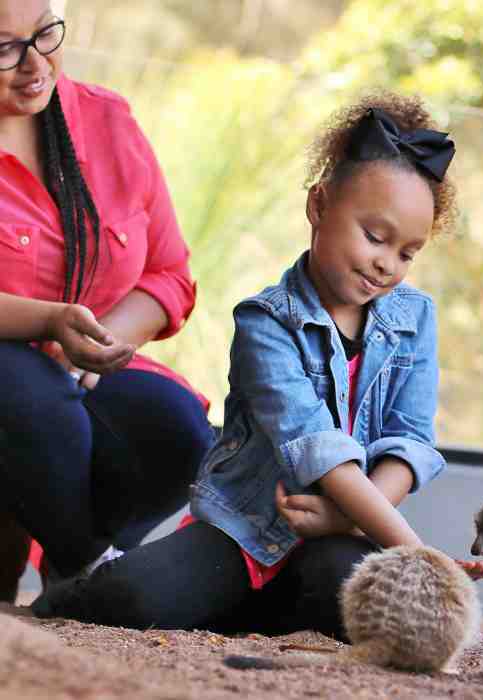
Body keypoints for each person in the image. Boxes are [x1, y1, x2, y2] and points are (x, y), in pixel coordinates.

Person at [33, 92, 459, 640]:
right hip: (243, 533)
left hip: (339, 532)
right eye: (375, 237)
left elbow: (410, 439)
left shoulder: (415, 318)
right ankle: (64, 600)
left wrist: (349, 521)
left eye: (407, 253)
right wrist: (421, 557)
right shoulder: (265, 322)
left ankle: (243, 613)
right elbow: (317, 451)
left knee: (352, 598)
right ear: (320, 205)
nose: (387, 263)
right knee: (135, 597)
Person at [0, 1, 213, 589]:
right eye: (4, 49)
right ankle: (91, 572)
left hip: (81, 369)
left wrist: (99, 340)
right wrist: (51, 321)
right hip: (13, 386)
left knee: (174, 428)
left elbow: (170, 273)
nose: (34, 65)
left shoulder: (106, 120)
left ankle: (77, 565)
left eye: (46, 34)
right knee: (26, 394)